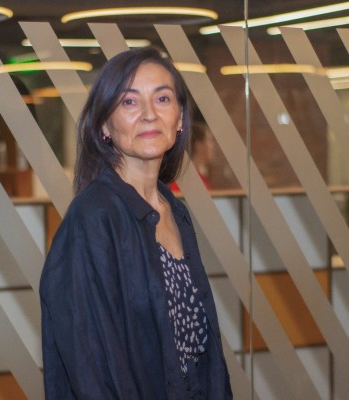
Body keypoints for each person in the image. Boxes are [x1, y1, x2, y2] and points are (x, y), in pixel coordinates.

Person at [40, 46, 232, 400]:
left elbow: (199, 353)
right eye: (129, 102)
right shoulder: (94, 217)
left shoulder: (174, 211)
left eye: (162, 99)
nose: (148, 115)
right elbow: (91, 365)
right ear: (104, 125)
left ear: (180, 119)